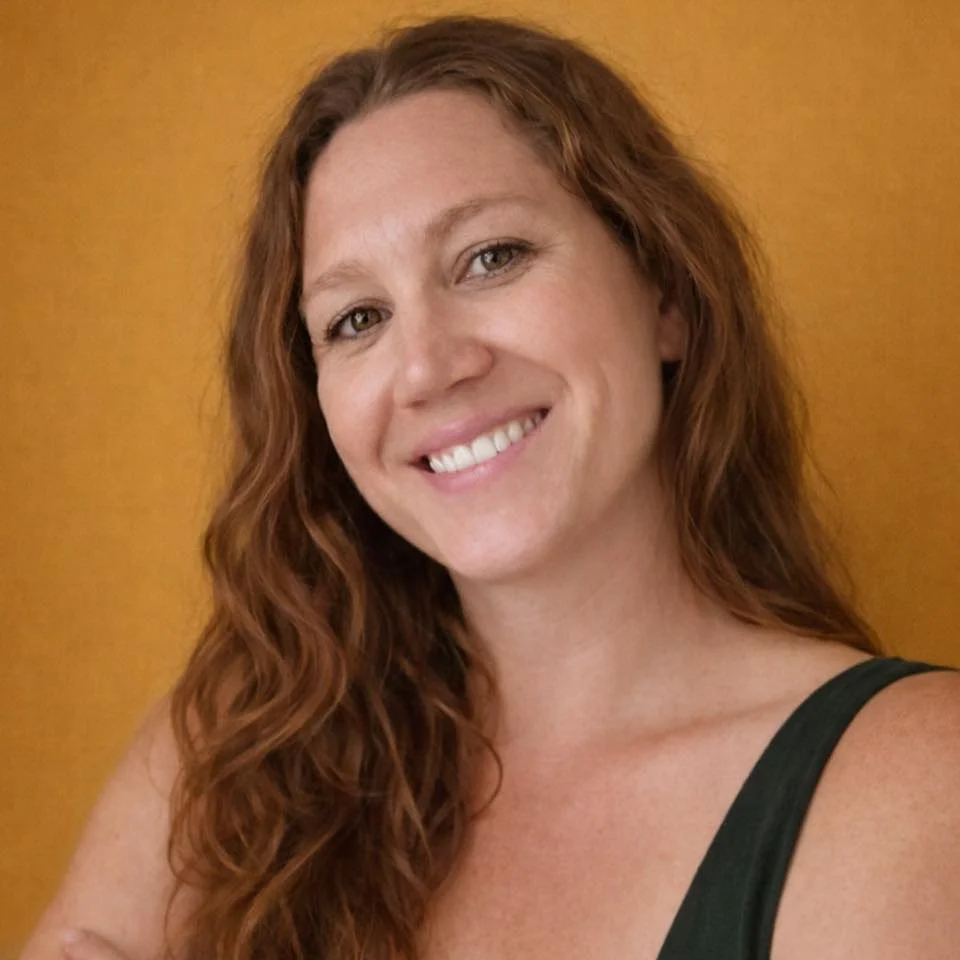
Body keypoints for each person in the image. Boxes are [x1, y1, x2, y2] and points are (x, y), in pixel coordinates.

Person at [19, 13, 960, 960]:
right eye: (356, 319)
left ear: (665, 292)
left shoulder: (915, 775)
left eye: (491, 257)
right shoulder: (241, 751)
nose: (427, 368)